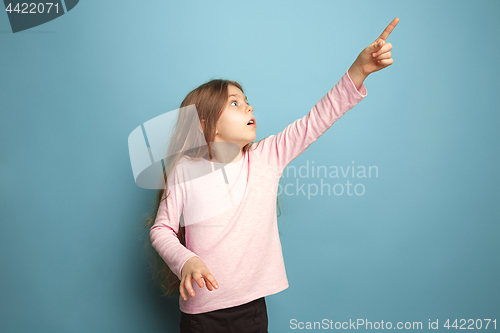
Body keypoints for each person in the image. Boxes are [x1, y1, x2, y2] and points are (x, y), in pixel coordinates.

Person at [145, 17, 400, 333]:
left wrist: (359, 71)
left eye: (247, 102)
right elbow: (161, 229)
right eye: (236, 104)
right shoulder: (185, 171)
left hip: (251, 312)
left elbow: (314, 121)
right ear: (205, 125)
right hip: (200, 316)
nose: (249, 108)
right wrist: (186, 261)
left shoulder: (267, 157)